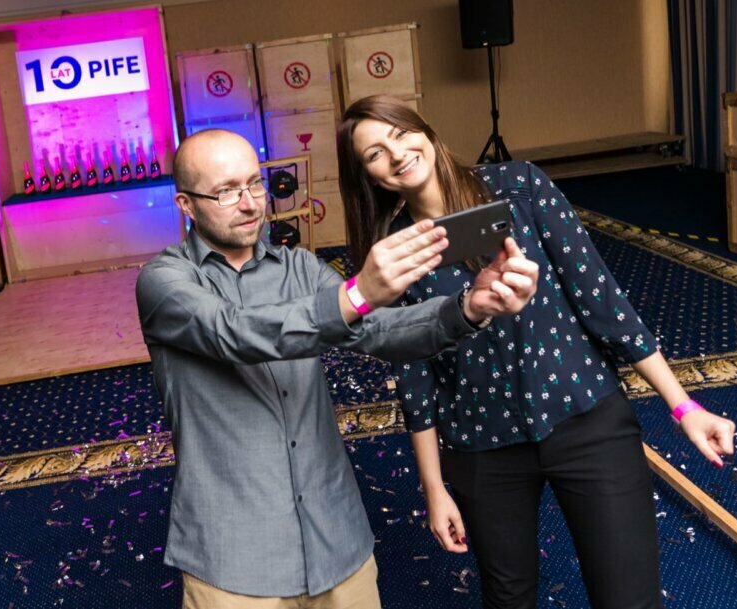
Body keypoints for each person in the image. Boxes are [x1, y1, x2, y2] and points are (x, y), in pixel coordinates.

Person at [335, 95, 736, 609]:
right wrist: (434, 488)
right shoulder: (394, 251)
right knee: (509, 598)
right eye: (373, 154)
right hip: (481, 442)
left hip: (585, 417)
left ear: (425, 131)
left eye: (400, 133)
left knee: (629, 596)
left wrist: (685, 407)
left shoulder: (518, 185)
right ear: (367, 176)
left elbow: (602, 301)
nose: (395, 154)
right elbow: (414, 375)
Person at [135, 129, 539, 608]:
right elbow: (235, 332)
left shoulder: (301, 269)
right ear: (186, 204)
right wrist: (356, 294)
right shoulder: (165, 281)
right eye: (226, 192)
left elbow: (379, 331)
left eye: (255, 184)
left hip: (337, 543)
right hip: (234, 558)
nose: (249, 205)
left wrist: (469, 307)